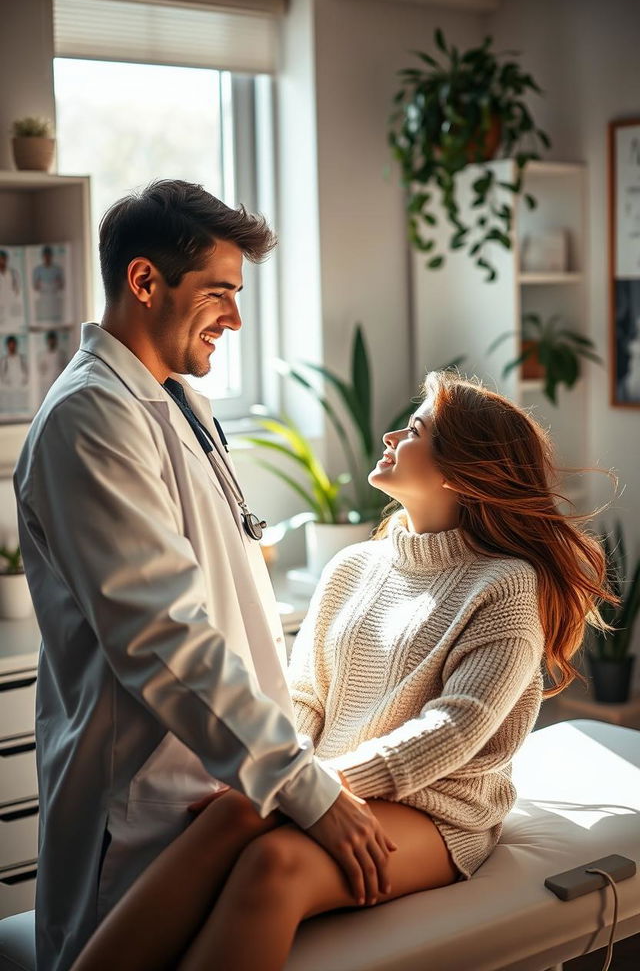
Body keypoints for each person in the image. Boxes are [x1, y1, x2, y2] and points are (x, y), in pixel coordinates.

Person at [69, 371, 615, 971]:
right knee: (235, 812)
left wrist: (316, 786)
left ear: (459, 471)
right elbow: (303, 696)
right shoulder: (353, 566)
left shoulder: (505, 584)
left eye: (414, 429)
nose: (388, 434)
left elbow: (454, 730)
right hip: (334, 785)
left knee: (274, 863)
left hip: (442, 812)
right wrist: (299, 780)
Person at [13, 180, 393, 971]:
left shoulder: (180, 400)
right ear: (144, 281)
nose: (236, 318)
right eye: (219, 293)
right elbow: (165, 636)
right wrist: (305, 788)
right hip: (142, 801)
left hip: (219, 785)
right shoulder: (90, 420)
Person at [31, 244, 65, 323]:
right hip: (43, 298)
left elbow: (62, 285)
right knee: (42, 320)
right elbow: (35, 287)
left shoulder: (57, 269)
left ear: (51, 256)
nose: (47, 257)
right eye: (45, 255)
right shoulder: (38, 270)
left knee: (56, 319)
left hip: (54, 298)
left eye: (49, 255)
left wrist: (54, 284)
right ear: (43, 256)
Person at [36, 329, 67, 402]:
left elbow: (64, 367)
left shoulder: (61, 354)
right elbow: (41, 368)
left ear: (56, 341)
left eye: (53, 340)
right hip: (47, 384)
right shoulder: (43, 355)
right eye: (50, 340)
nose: (52, 342)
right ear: (47, 341)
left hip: (59, 384)